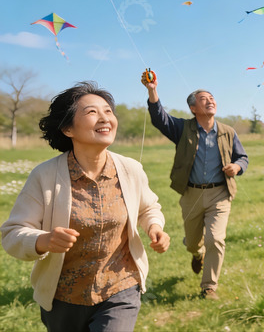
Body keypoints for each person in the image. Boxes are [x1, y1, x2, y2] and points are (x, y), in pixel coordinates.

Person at [1, 81, 170, 332]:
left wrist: (155, 227)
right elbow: (13, 233)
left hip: (120, 288)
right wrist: (44, 240)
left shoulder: (130, 169)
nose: (104, 118)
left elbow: (148, 207)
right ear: (68, 128)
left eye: (108, 111)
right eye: (92, 112)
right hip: (63, 298)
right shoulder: (45, 175)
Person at [141, 73, 248, 300]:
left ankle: (209, 287)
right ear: (193, 108)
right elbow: (159, 118)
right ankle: (196, 253)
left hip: (220, 193)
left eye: (212, 97)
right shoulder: (182, 129)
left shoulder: (228, 132)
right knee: (192, 242)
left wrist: (237, 168)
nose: (210, 101)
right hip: (191, 193)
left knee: (215, 239)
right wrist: (152, 90)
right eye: (203, 98)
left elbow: (243, 157)